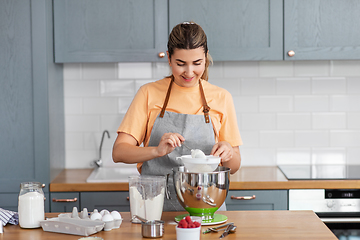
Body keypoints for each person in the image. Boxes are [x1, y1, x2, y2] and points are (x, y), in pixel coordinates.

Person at [112, 21, 242, 211]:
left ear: (205, 58)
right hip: (155, 210)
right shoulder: (148, 93)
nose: (189, 72)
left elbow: (235, 165)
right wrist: (156, 151)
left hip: (206, 206)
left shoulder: (221, 97)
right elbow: (119, 152)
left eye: (197, 63)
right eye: (181, 64)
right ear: (169, 60)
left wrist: (228, 151)